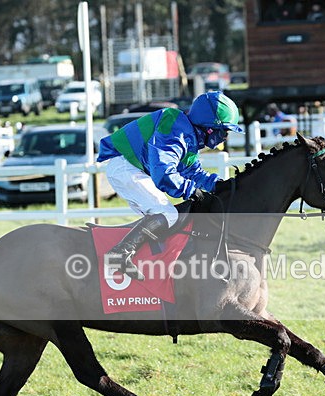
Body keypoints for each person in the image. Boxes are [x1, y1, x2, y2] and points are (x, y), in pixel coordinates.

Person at [97, 91, 243, 280]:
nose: (225, 136)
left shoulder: (189, 136)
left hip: (132, 167)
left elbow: (192, 172)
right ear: (209, 127)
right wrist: (191, 190)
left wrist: (220, 185)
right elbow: (163, 173)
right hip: (125, 166)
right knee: (167, 214)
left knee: (167, 219)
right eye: (224, 130)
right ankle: (119, 254)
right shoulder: (175, 127)